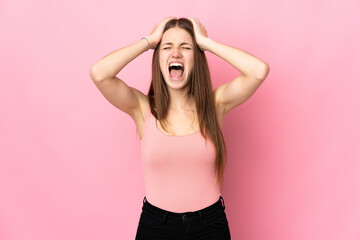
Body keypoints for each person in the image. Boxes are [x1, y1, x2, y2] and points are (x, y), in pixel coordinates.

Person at [89, 17, 269, 240]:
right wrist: (149, 41)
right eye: (167, 47)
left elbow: (259, 71)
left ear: (197, 58)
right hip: (156, 226)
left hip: (209, 226)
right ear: (158, 58)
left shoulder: (215, 105)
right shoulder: (142, 108)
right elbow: (99, 73)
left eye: (186, 47)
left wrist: (205, 42)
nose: (176, 54)